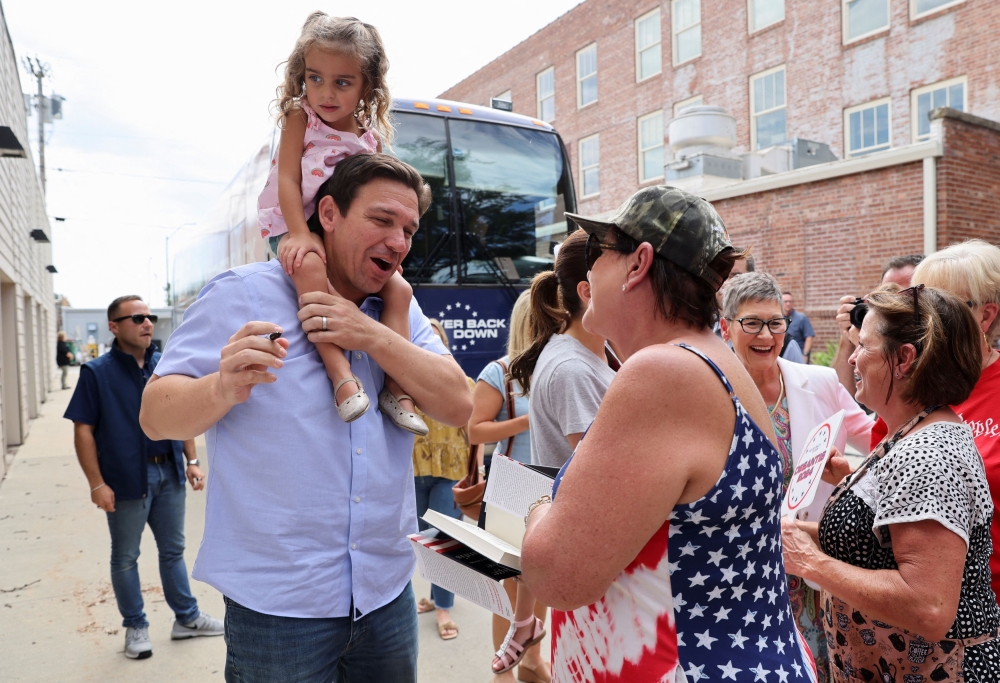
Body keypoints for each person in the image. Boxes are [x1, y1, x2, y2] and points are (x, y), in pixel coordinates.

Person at [139, 154, 473, 683]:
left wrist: (371, 335)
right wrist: (222, 386)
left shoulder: (395, 314)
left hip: (386, 596)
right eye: (382, 220)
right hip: (279, 611)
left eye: (409, 229)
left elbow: (460, 403)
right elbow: (155, 416)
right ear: (330, 212)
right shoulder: (243, 294)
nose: (399, 241)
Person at [520, 187, 816, 682]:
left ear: (638, 264)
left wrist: (537, 510)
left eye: (598, 251)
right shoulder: (712, 360)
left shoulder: (663, 372)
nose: (587, 272)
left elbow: (557, 575)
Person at [782, 283, 1000, 682]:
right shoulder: (913, 431)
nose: (851, 359)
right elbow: (879, 542)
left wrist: (810, 561)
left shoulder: (928, 451)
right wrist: (797, 533)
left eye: (863, 346)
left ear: (904, 358)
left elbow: (928, 607)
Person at [257, 12, 424, 434]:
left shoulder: (370, 138)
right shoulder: (301, 117)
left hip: (337, 233)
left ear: (367, 85)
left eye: (342, 82)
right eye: (315, 79)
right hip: (294, 220)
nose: (325, 93)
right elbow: (288, 179)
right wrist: (299, 233)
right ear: (302, 77)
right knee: (310, 267)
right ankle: (340, 376)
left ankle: (396, 387)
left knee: (399, 290)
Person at [720, 271, 874, 682]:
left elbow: (878, 440)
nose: (766, 335)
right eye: (751, 322)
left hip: (814, 567)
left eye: (775, 322)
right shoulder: (711, 393)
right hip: (743, 574)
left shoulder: (818, 382)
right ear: (725, 326)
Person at [63, 296, 220, 660]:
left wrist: (192, 460)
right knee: (126, 557)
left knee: (173, 551)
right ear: (114, 326)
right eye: (137, 318)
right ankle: (136, 626)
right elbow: (83, 430)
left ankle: (187, 619)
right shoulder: (96, 373)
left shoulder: (165, 365)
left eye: (149, 317)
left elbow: (180, 411)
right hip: (124, 481)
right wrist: (97, 484)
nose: (147, 323)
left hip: (168, 472)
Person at [911, 240, 1000, 602]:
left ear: (985, 315)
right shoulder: (911, 383)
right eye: (918, 304)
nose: (922, 319)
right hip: (920, 602)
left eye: (940, 305)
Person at [470, 289, 550, 683]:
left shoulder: (557, 366)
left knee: (542, 581)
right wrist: (526, 420)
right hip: (511, 486)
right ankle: (504, 671)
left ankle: (532, 661)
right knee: (506, 588)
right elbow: (475, 430)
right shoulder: (497, 371)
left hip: (551, 484)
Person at [510, 229, 616, 469]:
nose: (634, 286)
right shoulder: (572, 370)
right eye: (623, 277)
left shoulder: (597, 348)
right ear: (588, 292)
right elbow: (601, 473)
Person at [412, 319, 476, 641]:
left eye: (436, 342)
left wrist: (477, 474)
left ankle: (444, 609)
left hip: (450, 475)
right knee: (426, 542)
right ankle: (436, 596)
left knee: (443, 542)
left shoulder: (461, 383)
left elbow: (473, 433)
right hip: (414, 474)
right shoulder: (403, 383)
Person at [831, 254, 924, 398]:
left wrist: (864, 347)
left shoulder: (928, 341)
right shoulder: (871, 332)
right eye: (886, 296)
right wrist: (848, 337)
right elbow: (841, 400)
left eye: (904, 295)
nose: (892, 305)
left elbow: (898, 403)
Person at [783, 291, 815, 362]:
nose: (788, 304)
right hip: (783, 357)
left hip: (798, 357)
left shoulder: (801, 318)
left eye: (790, 301)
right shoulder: (778, 319)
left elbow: (809, 337)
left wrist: (805, 354)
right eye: (785, 301)